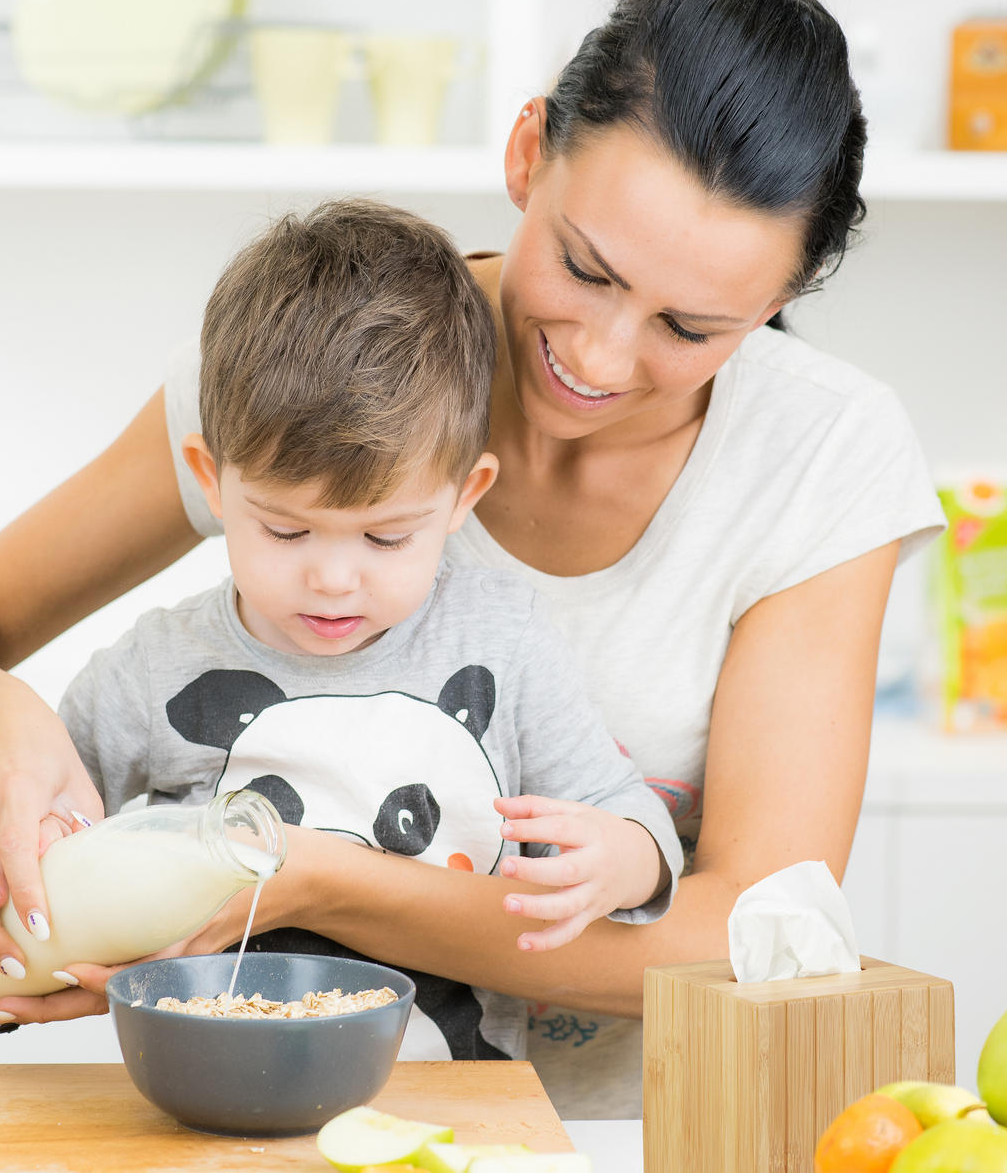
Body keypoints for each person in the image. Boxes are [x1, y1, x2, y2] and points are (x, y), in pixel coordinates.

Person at [0, 0, 945, 1117]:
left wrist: (304, 881)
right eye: (585, 267)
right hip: (271, 1117)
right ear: (527, 155)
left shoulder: (820, 452)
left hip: (627, 1134)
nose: (602, 356)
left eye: (692, 327)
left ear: (780, 298)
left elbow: (754, 932)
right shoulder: (307, 374)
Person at [38, 198, 681, 1061]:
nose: (334, 579)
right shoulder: (157, 667)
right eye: (285, 530)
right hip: (212, 1086)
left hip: (460, 1101)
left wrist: (620, 859)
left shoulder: (504, 642)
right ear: (210, 479)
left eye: (386, 538)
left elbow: (628, 817)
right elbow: (47, 819)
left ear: (464, 497)